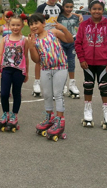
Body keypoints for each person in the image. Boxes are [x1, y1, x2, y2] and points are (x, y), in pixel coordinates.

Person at [29, 13, 73, 141]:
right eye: (31, 24)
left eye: (36, 23)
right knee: (47, 94)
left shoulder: (53, 32)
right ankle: (50, 117)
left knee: (58, 94)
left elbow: (70, 40)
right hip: (45, 69)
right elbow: (36, 59)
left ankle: (60, 120)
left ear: (43, 23)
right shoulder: (33, 39)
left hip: (60, 67)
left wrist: (63, 28)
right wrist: (31, 47)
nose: (33, 26)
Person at [32, 0, 82, 97]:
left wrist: (77, 14)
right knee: (39, 60)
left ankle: (57, 83)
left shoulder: (59, 7)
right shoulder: (41, 7)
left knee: (53, 60)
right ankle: (37, 82)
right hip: (42, 36)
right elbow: (34, 19)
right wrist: (34, 35)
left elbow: (67, 12)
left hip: (55, 38)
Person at [75, 0, 107, 130]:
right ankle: (88, 110)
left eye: (99, 9)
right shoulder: (83, 25)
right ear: (90, 10)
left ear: (102, 10)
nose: (97, 11)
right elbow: (78, 43)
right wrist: (81, 59)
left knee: (104, 87)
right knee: (88, 85)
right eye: (94, 9)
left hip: (103, 63)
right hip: (87, 62)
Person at [0, 13, 29, 132]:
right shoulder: (5, 39)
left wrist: (27, 72)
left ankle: (14, 115)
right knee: (4, 93)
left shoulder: (24, 40)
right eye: (13, 25)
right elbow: (0, 54)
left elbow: (26, 56)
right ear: (9, 25)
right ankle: (5, 114)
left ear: (22, 25)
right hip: (7, 69)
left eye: (18, 25)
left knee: (16, 93)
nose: (15, 27)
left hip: (19, 71)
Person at [57, 0, 82, 98]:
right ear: (63, 7)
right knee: (62, 63)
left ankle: (72, 84)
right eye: (67, 7)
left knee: (71, 62)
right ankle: (62, 84)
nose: (69, 9)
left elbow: (78, 26)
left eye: (71, 7)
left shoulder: (75, 18)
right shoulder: (58, 17)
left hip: (72, 42)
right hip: (61, 42)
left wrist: (78, 15)